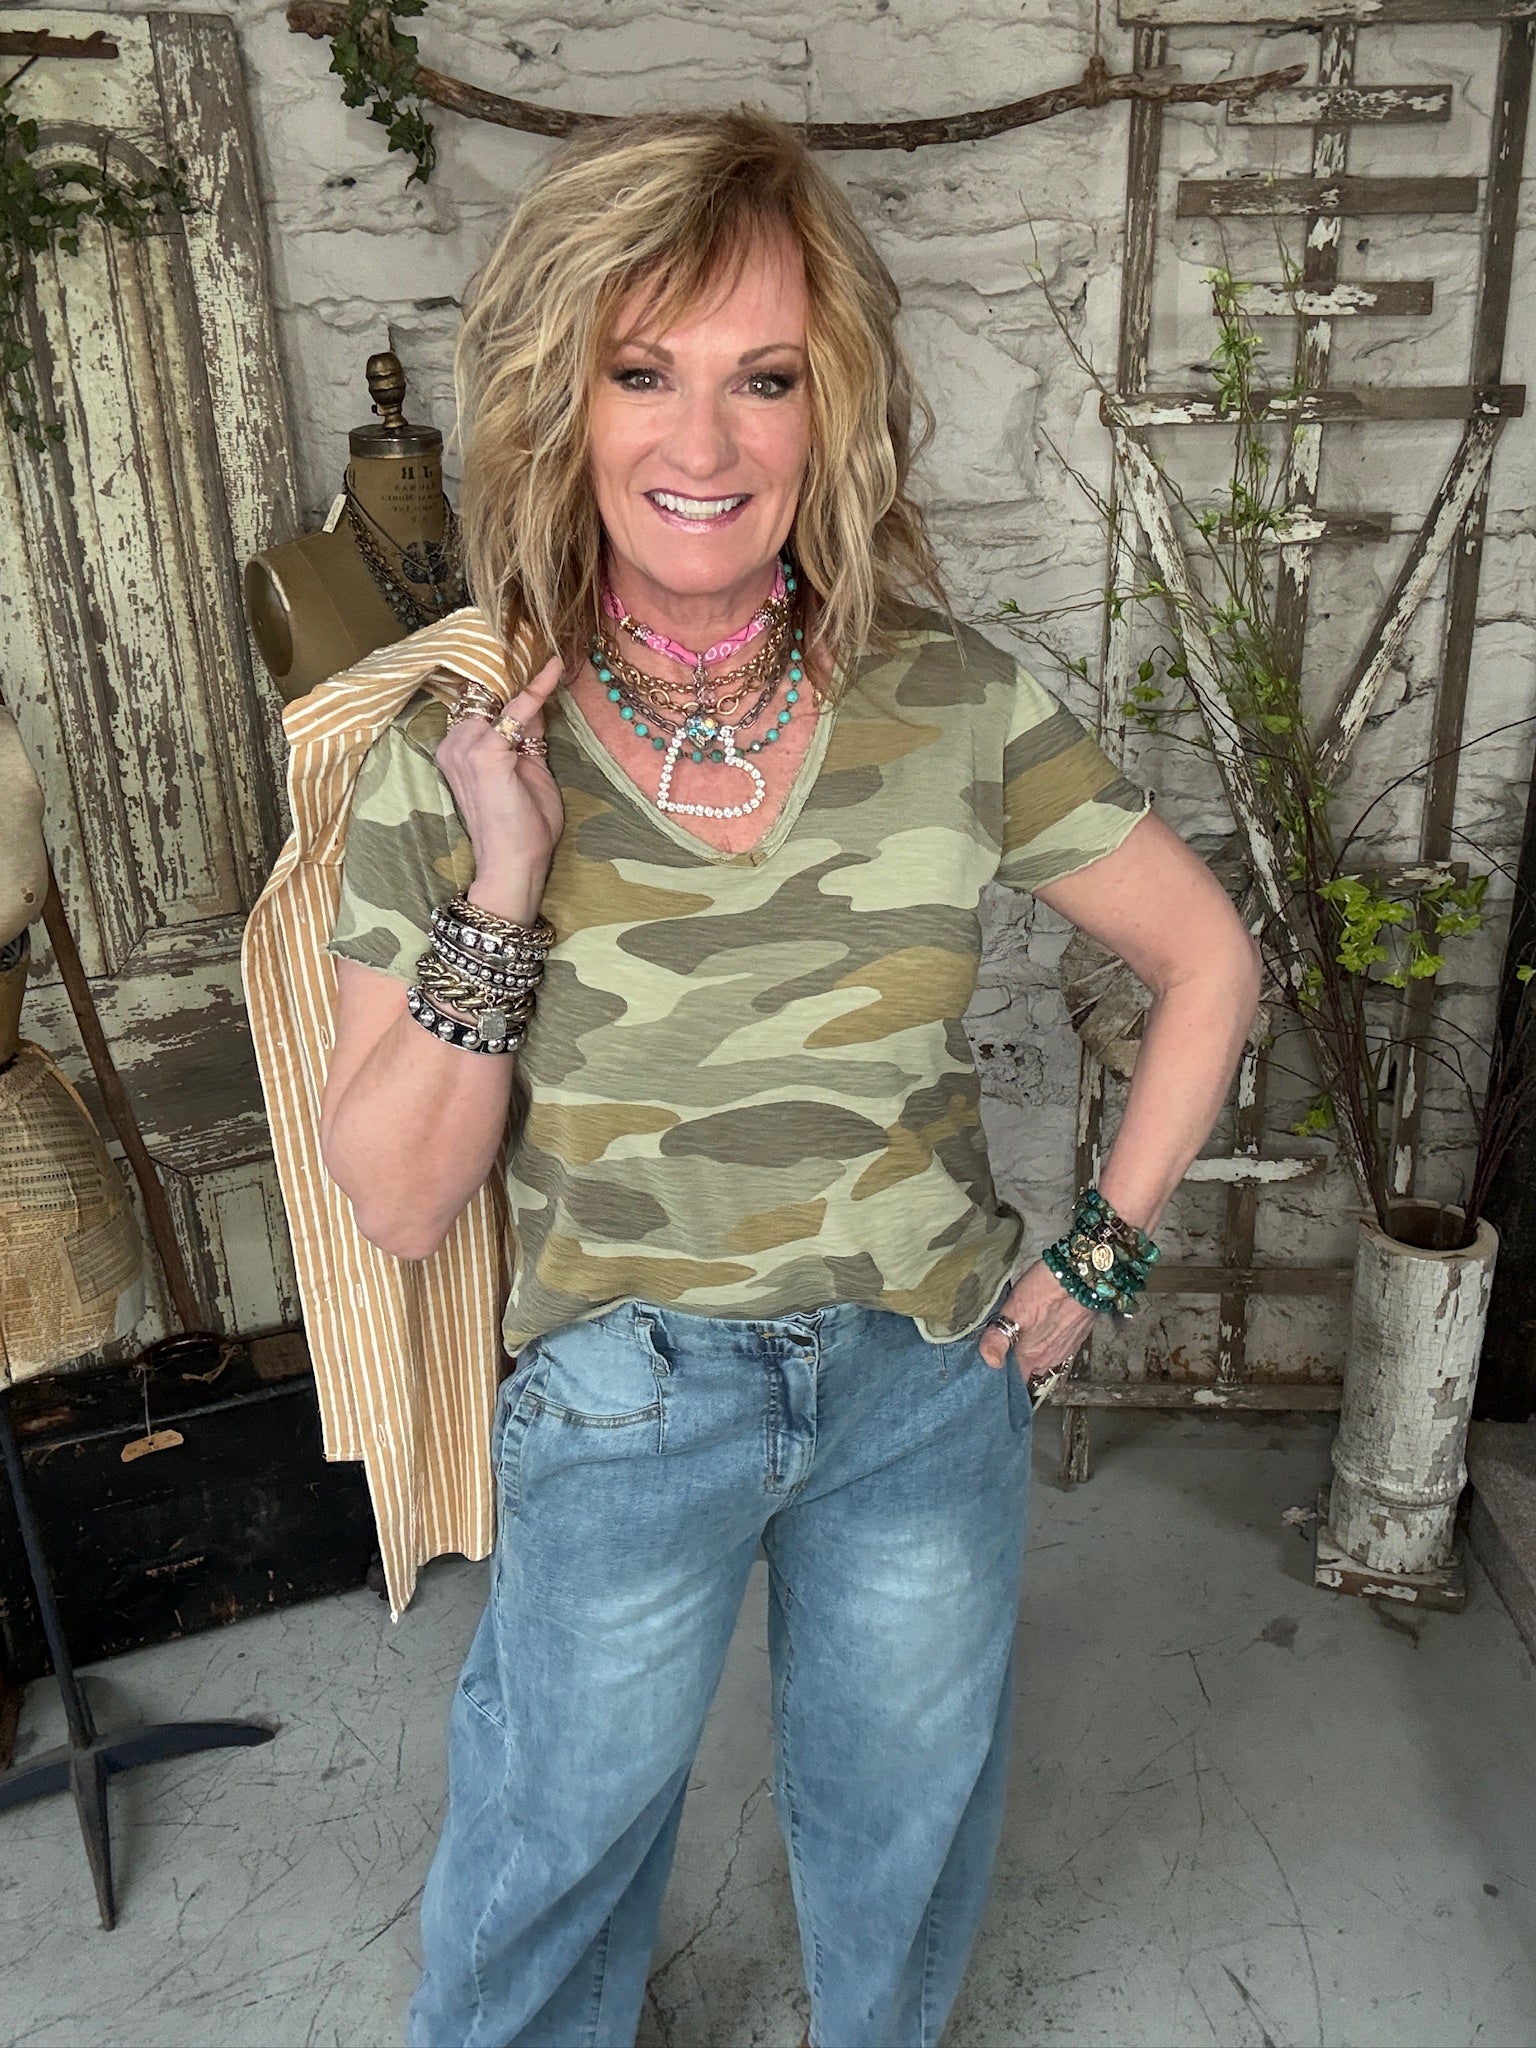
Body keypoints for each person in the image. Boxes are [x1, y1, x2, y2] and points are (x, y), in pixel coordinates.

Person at [319, 108, 1261, 2048]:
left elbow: (1206, 959)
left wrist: (1097, 1260)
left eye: (765, 377)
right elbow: (400, 1200)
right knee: (546, 1858)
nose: (707, 440)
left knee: (903, 1835)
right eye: (641, 371)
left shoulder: (955, 702)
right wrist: (504, 883)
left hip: (922, 1380)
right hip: (625, 1393)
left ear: (832, 409)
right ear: (559, 402)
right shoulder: (461, 758)